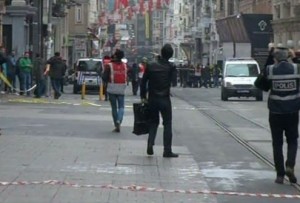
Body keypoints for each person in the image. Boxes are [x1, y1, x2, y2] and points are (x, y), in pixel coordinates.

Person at [255, 47, 299, 184]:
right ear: (288, 56)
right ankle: (290, 165)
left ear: (275, 58)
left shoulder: (270, 70)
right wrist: (295, 57)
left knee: (277, 143)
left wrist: (269, 58)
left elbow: (260, 85)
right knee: (292, 141)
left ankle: (280, 175)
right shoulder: (296, 69)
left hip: (275, 113)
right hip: (292, 111)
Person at [140, 44, 178, 158]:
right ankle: (167, 150)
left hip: (152, 98)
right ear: (171, 55)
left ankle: (150, 143)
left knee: (153, 122)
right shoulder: (171, 67)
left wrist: (143, 96)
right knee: (167, 124)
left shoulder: (151, 65)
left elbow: (143, 82)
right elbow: (174, 82)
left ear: (161, 53)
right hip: (165, 99)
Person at [102, 49, 127, 132]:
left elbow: (104, 77)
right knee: (121, 107)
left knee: (114, 107)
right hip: (121, 88)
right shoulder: (125, 65)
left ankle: (116, 124)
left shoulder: (109, 65)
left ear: (115, 56)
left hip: (112, 88)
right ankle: (119, 120)